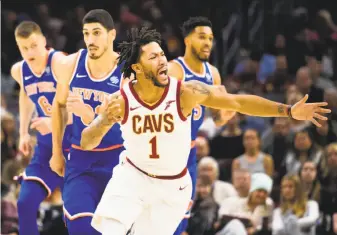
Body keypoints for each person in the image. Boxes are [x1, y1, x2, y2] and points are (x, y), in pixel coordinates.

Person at [80, 27, 330, 235]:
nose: (162, 61)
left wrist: (288, 111)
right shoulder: (121, 100)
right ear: (137, 68)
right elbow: (87, 141)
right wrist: (103, 122)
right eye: (153, 57)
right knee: (110, 230)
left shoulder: (185, 93)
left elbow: (237, 102)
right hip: (133, 175)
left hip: (172, 186)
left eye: (162, 55)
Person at [49, 9, 125, 235]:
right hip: (81, 158)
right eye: (86, 33)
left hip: (118, 160)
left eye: (97, 33)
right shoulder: (70, 64)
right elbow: (59, 105)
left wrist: (88, 115)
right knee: (81, 226)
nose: (90, 40)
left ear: (112, 35)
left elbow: (128, 121)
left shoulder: (128, 72)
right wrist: (56, 152)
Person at [167, 17, 236, 234]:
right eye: (201, 37)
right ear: (187, 40)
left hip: (189, 153)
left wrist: (230, 108)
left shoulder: (212, 74)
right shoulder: (173, 70)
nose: (207, 42)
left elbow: (218, 119)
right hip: (165, 151)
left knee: (181, 217)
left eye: (210, 38)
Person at [10, 21, 71, 235]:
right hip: (46, 148)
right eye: (23, 48)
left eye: (34, 45)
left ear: (44, 41)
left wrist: (54, 121)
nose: (29, 52)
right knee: (25, 203)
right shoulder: (19, 70)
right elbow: (25, 95)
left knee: (76, 216)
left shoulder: (60, 63)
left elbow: (84, 105)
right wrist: (24, 133)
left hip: (76, 145)